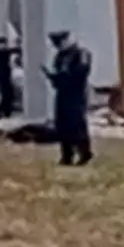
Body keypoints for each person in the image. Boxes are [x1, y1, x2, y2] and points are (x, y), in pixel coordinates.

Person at [49, 29, 94, 167]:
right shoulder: (59, 56)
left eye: (61, 42)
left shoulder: (81, 53)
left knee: (77, 123)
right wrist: (55, 78)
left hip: (76, 94)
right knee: (62, 124)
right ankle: (66, 155)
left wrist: (67, 76)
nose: (59, 46)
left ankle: (84, 152)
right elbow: (57, 72)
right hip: (62, 94)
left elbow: (82, 71)